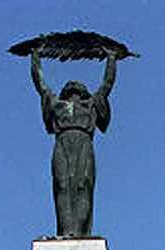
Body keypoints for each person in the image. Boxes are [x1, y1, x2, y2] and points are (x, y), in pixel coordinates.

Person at [29, 47, 119, 238]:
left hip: (84, 142)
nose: (73, 85)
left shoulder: (91, 104)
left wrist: (111, 58)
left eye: (78, 85)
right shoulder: (57, 104)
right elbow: (40, 85)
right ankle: (66, 231)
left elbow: (107, 84)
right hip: (62, 142)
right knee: (62, 185)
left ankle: (79, 232)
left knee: (82, 185)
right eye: (70, 85)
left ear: (84, 92)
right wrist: (35, 58)